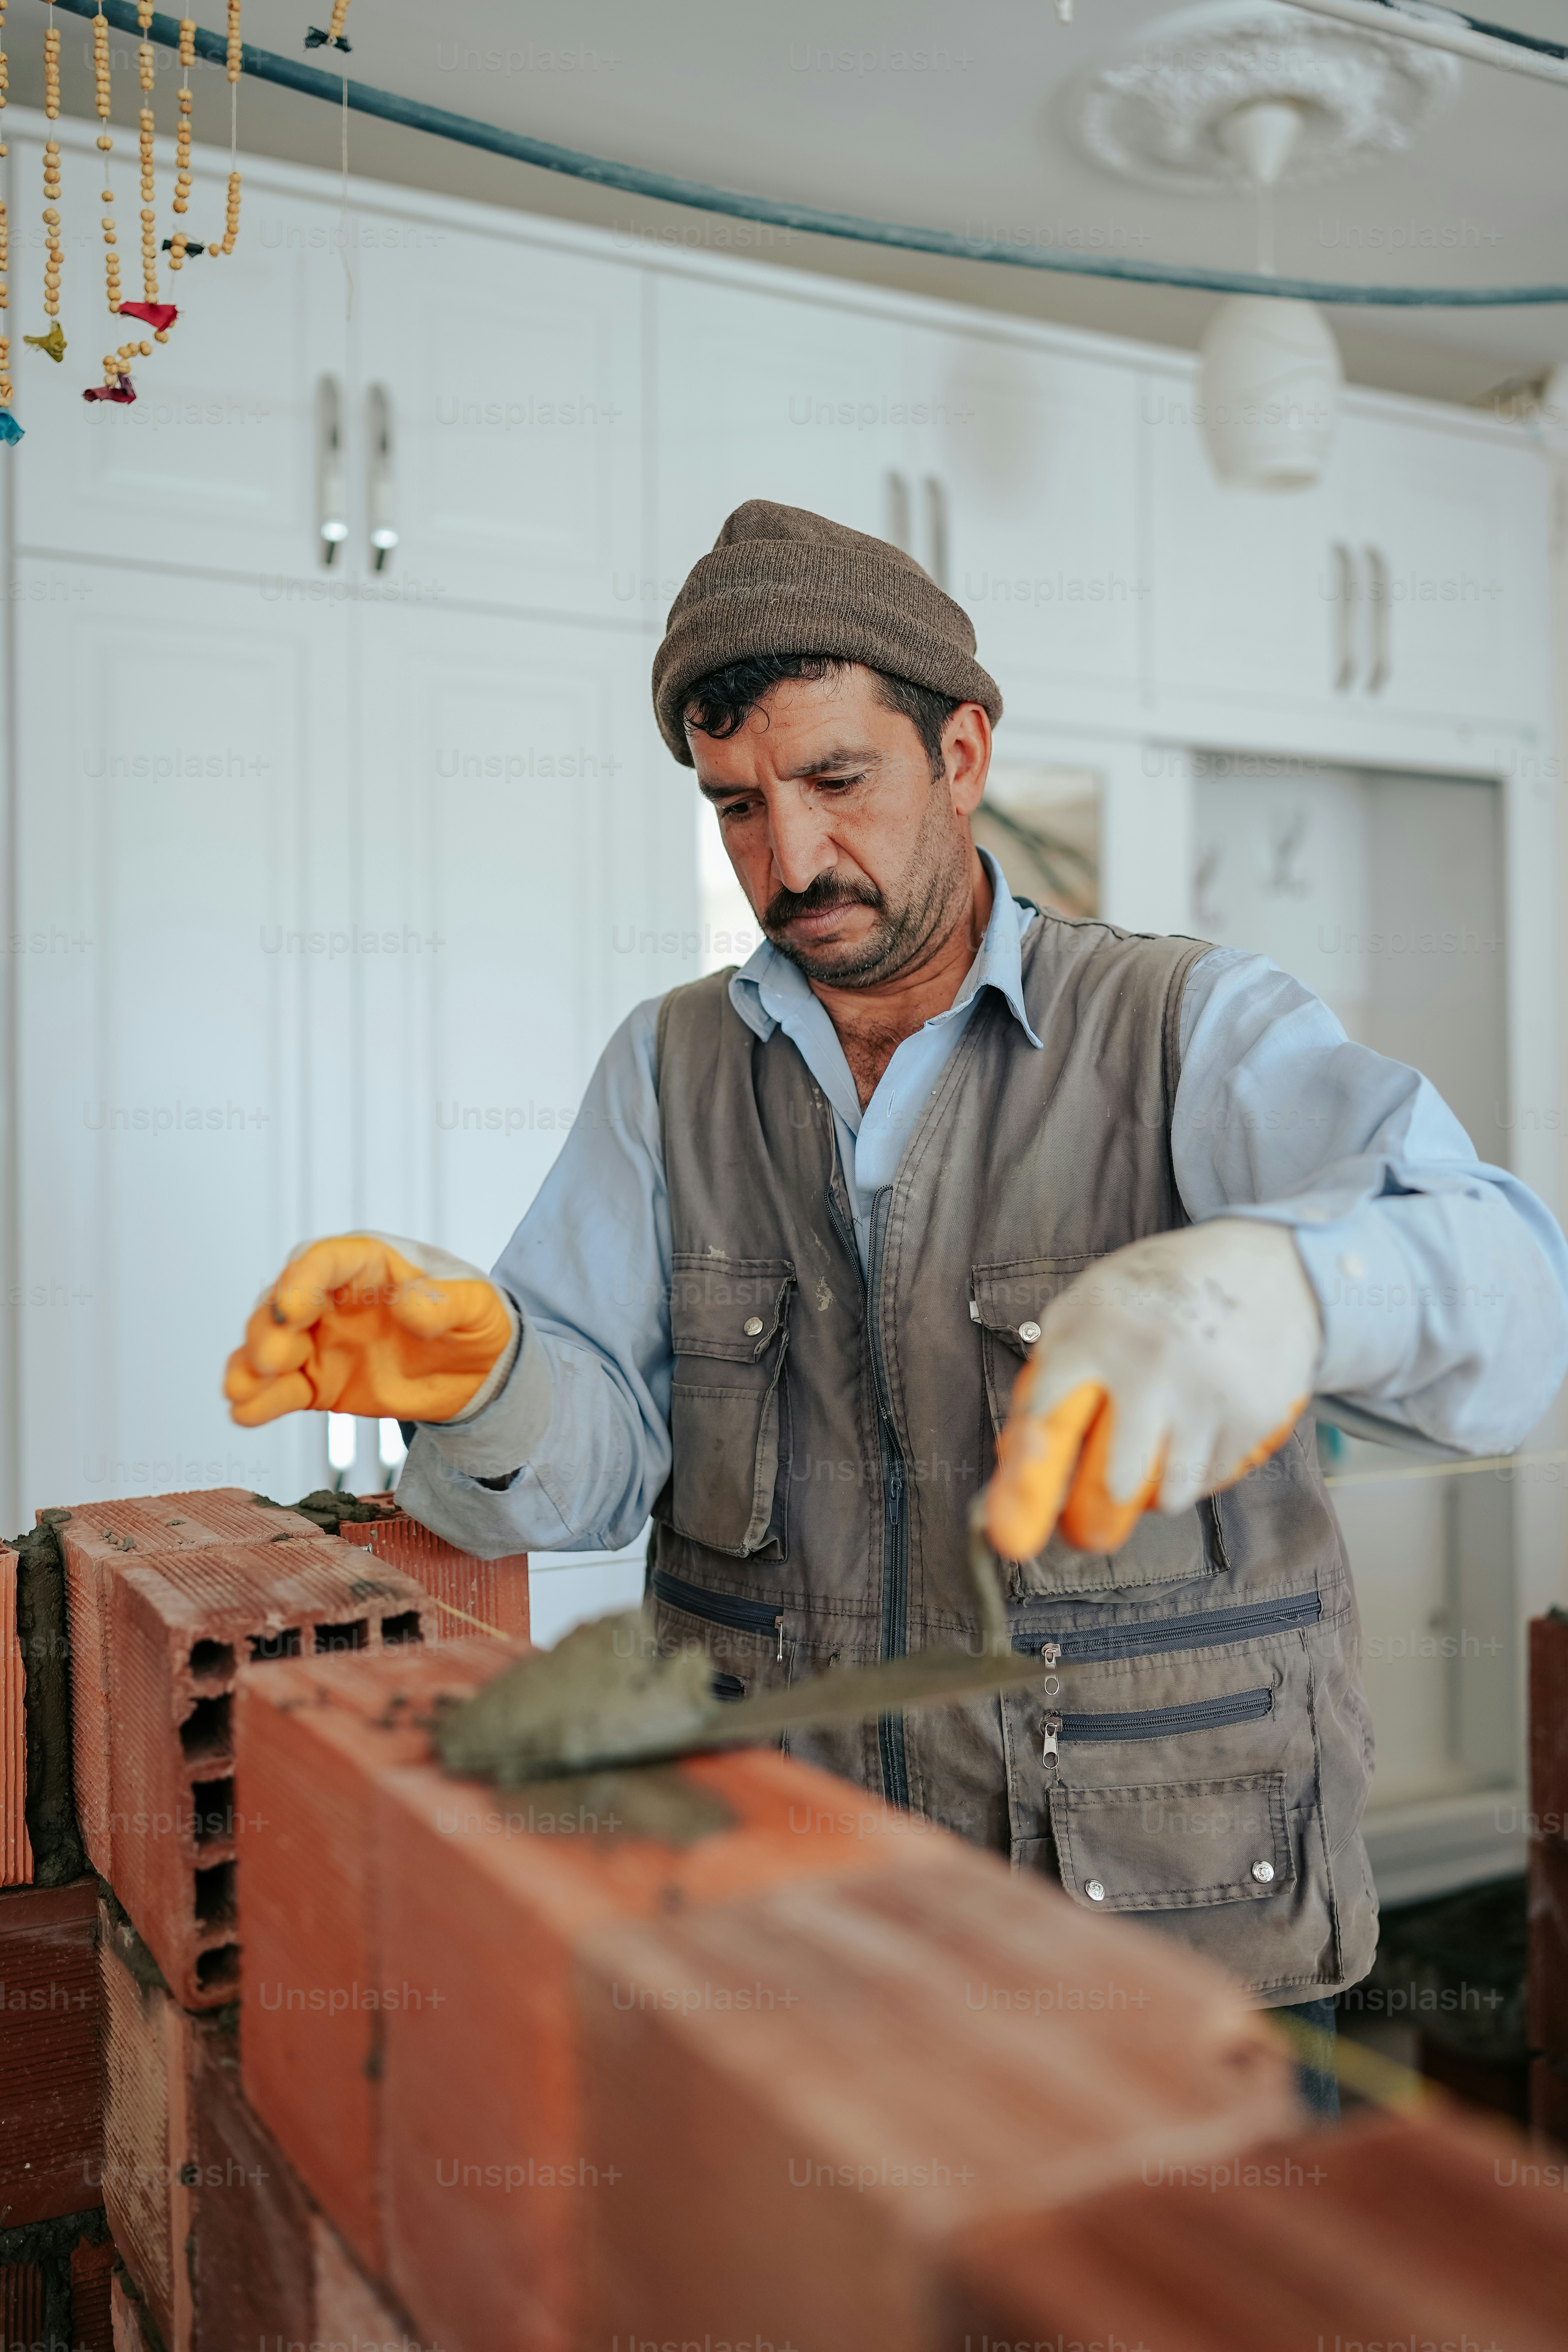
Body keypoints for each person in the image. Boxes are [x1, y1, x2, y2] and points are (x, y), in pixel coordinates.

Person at [225, 500, 1568, 2114]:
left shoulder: (1183, 1025)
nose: (787, 861)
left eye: (837, 782)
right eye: (738, 807)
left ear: (964, 750)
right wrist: (489, 1378)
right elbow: (581, 1485)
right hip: (795, 1940)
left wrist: (1285, 1284)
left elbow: (1511, 1306)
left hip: (1171, 1950)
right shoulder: (669, 1073)